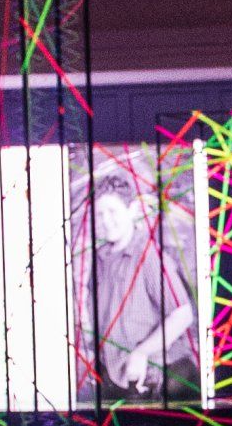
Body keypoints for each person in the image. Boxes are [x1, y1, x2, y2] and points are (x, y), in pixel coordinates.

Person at [81, 168, 197, 393]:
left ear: (133, 210)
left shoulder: (148, 255)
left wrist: (142, 352)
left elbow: (183, 314)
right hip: (116, 376)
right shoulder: (100, 259)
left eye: (112, 212)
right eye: (99, 215)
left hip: (158, 377)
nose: (106, 221)